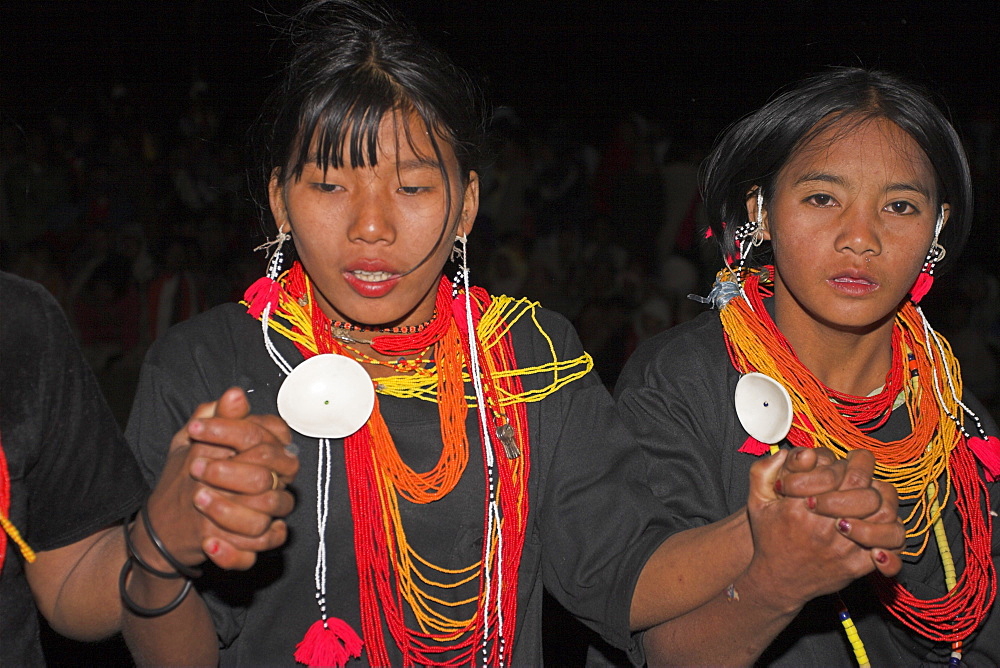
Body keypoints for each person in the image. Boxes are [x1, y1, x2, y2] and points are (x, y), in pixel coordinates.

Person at [121, 4, 903, 666]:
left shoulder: (531, 358)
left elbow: (624, 573)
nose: (370, 226)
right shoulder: (208, 367)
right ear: (281, 203)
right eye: (329, 185)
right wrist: (159, 555)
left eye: (414, 187)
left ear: (464, 208)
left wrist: (754, 535)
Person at [616, 68, 1000, 665]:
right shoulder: (681, 383)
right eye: (822, 197)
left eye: (900, 206)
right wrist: (777, 581)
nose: (860, 237)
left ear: (937, 229)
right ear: (761, 211)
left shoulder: (959, 420)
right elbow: (656, 644)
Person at [0, 270, 298, 666]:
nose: (370, 226)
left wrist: (157, 539)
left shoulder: (19, 321)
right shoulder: (195, 357)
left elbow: (68, 581)